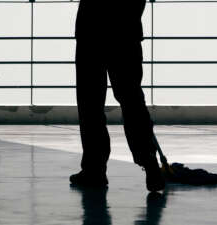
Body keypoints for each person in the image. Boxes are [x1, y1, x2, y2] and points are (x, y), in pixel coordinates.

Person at [70, 0, 165, 192]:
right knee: (132, 101)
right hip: (126, 34)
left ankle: (94, 169)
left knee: (91, 105)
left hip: (91, 33)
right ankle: (149, 163)